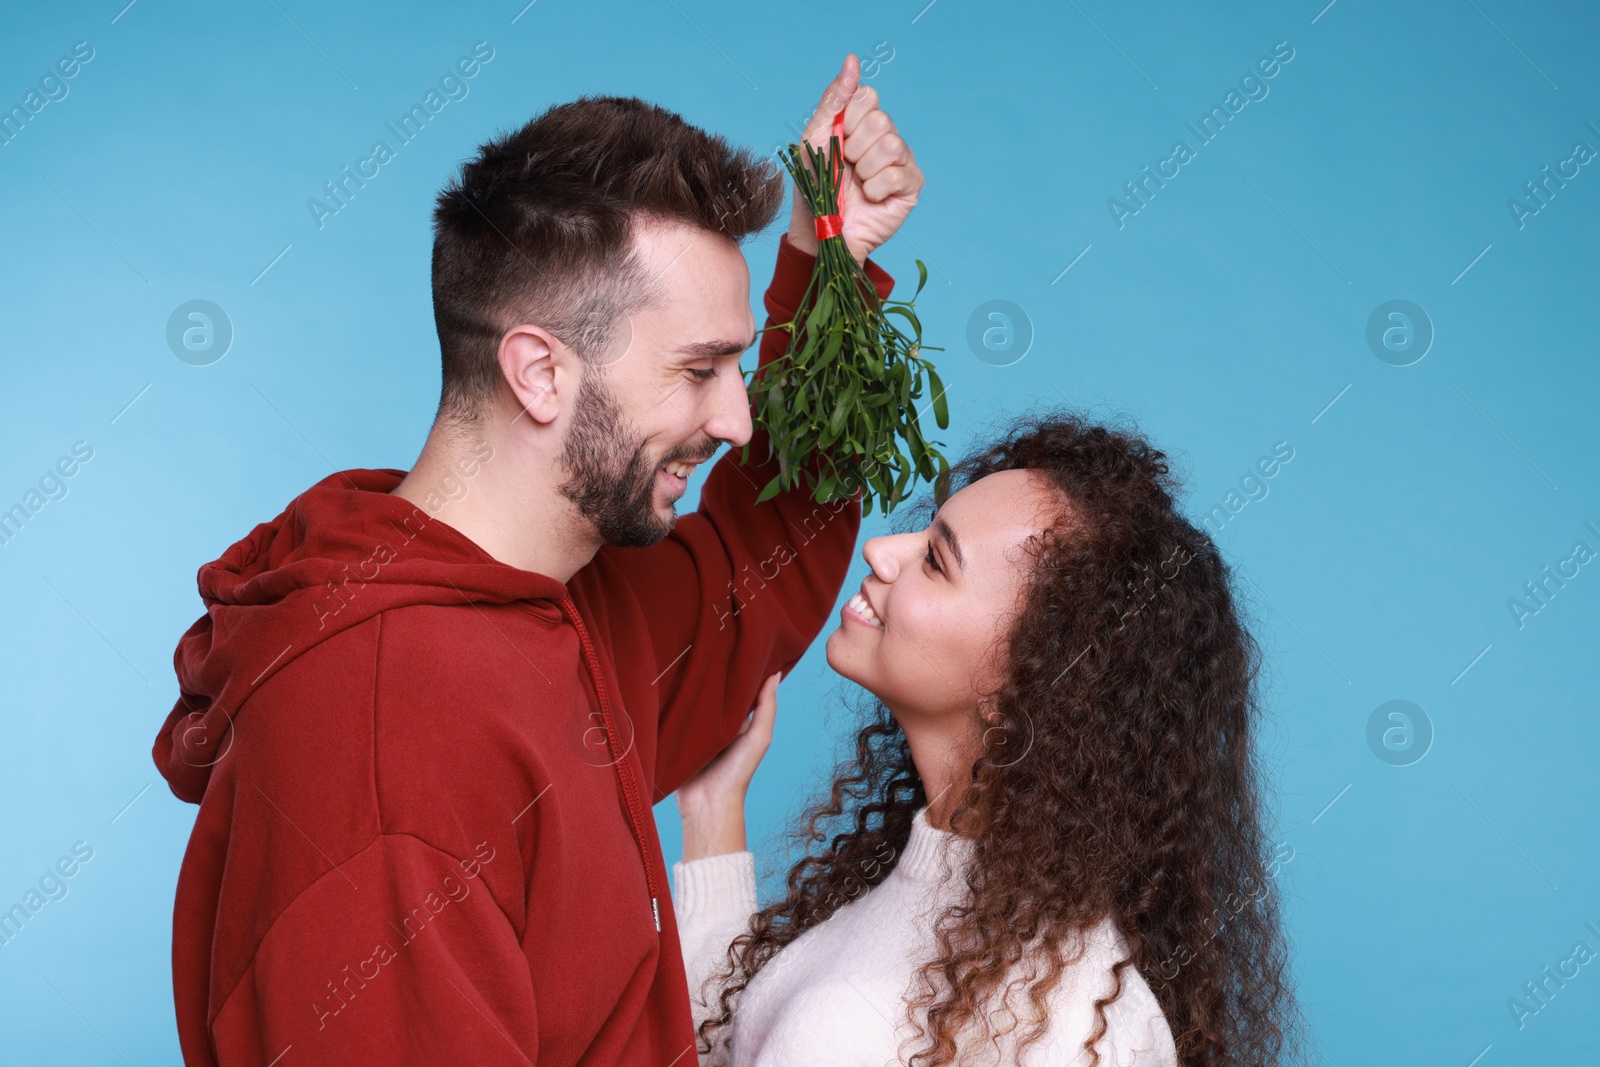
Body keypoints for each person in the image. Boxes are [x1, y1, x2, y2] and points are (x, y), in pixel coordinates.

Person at [150, 55, 923, 1064]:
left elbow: (761, 558)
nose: (737, 418)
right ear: (540, 370)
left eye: (735, 367)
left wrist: (827, 260)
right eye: (697, 370)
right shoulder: (388, 743)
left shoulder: (564, 598)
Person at [671, 412, 1303, 1066]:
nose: (880, 551)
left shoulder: (1079, 1024)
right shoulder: (893, 898)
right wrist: (713, 809)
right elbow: (725, 1047)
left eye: (936, 560)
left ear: (1029, 682)